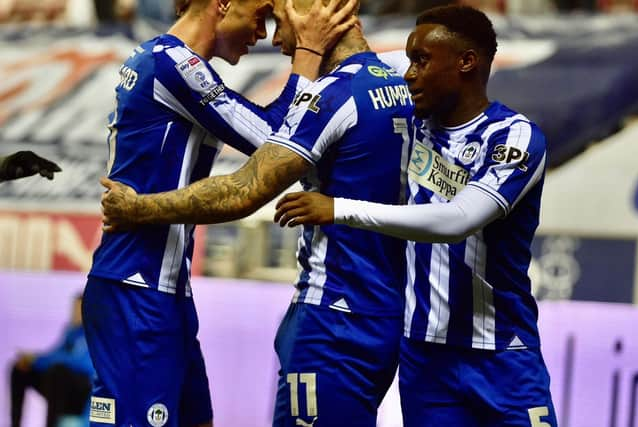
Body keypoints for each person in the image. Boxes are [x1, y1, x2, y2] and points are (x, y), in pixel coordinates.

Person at [99, 0, 415, 425]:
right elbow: (269, 139)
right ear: (223, 4)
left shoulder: (166, 60)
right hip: (135, 283)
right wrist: (310, 54)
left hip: (165, 288)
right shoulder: (170, 61)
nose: (266, 36)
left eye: (275, 20)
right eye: (262, 16)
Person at [274, 5, 558, 427]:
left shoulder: (513, 136)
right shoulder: (409, 128)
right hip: (425, 359)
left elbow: (459, 219)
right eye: (408, 60)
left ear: (466, 62)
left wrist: (340, 209)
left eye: (421, 60)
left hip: (505, 355)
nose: (409, 73)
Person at [10, 294, 94, 427]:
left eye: (79, 309)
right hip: (61, 388)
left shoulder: (95, 333)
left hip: (83, 394)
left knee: (58, 373)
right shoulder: (70, 331)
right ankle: (15, 423)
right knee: (20, 369)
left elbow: (83, 364)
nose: (75, 313)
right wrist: (31, 361)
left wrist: (37, 360)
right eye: (74, 308)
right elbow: (55, 354)